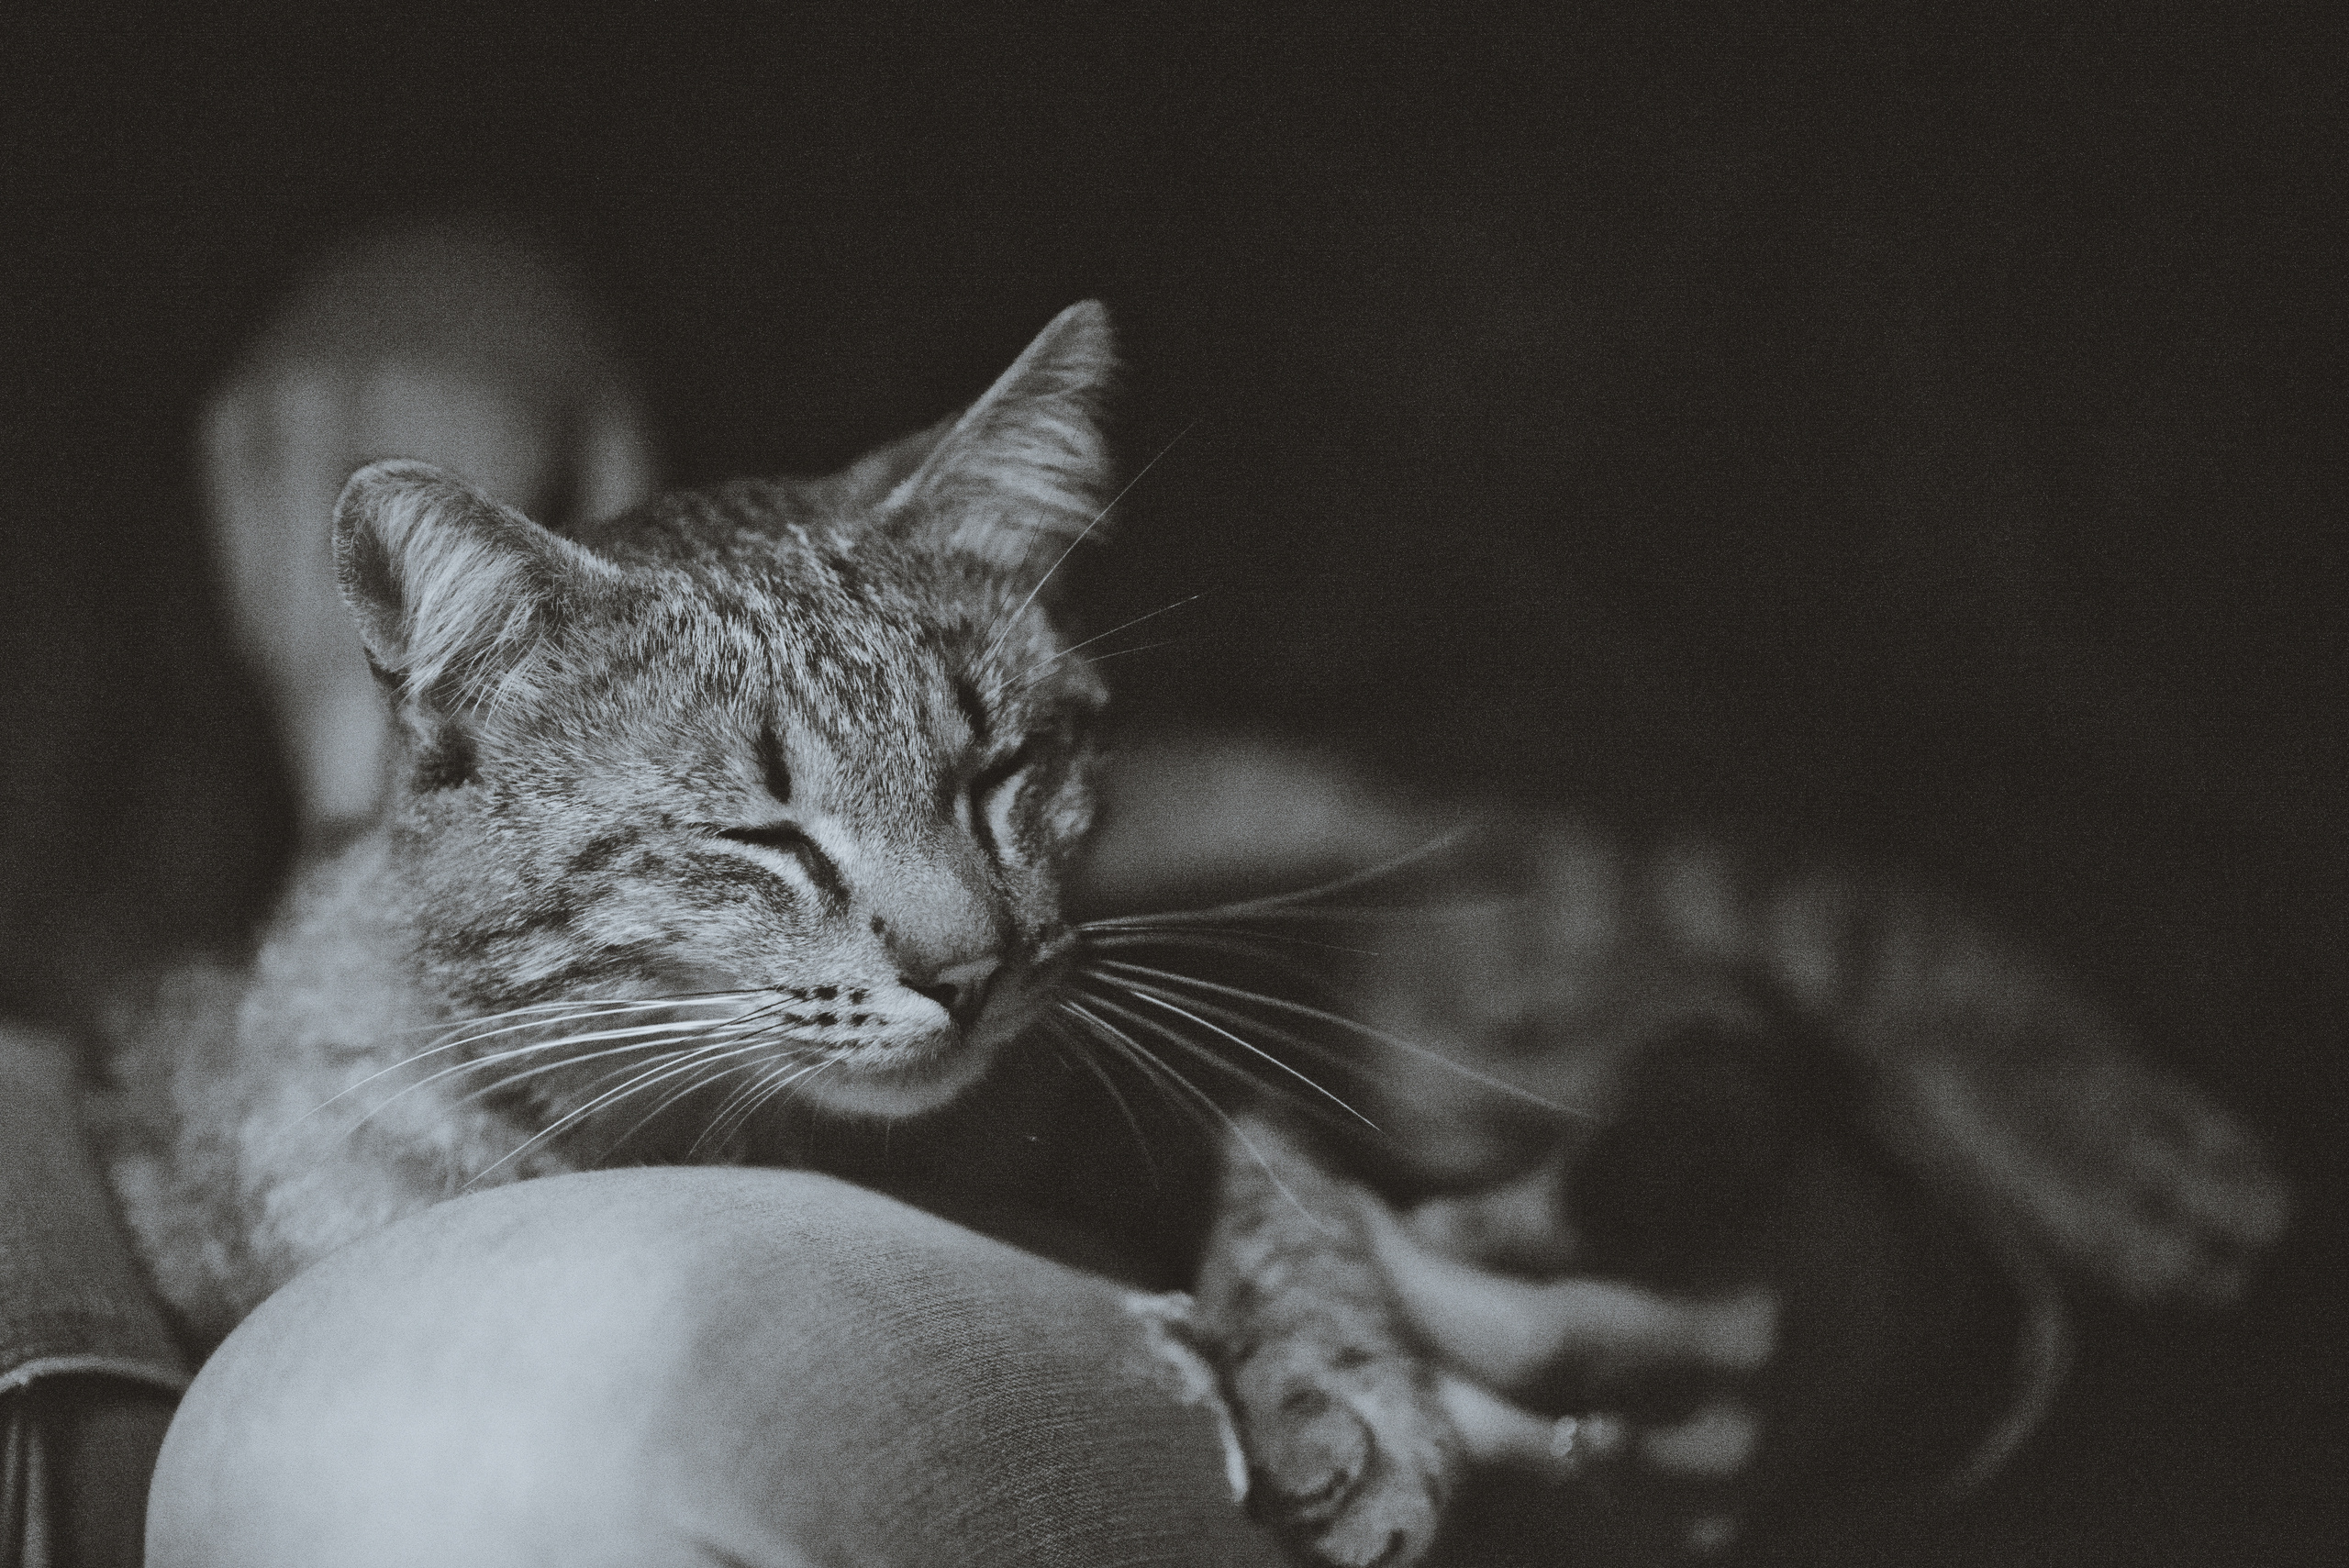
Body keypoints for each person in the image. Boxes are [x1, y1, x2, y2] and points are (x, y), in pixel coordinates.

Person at [5, 220, 2035, 1567]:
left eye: (998, 791)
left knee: (444, 1456)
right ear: (456, 743)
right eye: (768, 844)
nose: (964, 948)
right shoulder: (290, 1049)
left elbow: (1205, 1118)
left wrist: (1903, 1286)